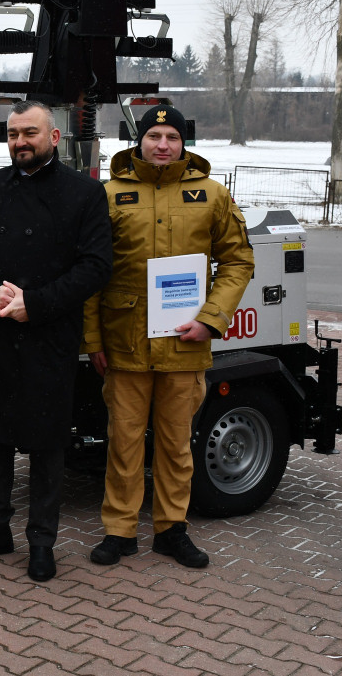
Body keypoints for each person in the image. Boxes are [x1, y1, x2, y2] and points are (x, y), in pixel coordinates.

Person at [0, 100, 113, 582]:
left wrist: (34, 303)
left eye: (30, 133)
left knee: (45, 444)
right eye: (14, 133)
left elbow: (96, 266)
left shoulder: (84, 194)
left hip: (47, 336)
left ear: (54, 138)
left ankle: (42, 540)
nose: (21, 141)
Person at [83, 104, 254, 568]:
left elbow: (238, 261)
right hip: (125, 344)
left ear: (184, 143)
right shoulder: (108, 195)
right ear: (139, 141)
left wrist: (212, 318)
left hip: (186, 343)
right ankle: (119, 531)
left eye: (172, 137)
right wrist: (93, 340)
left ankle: (171, 530)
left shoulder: (212, 195)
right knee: (123, 442)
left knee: (178, 444)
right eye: (154, 135)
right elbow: (91, 273)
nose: (163, 145)